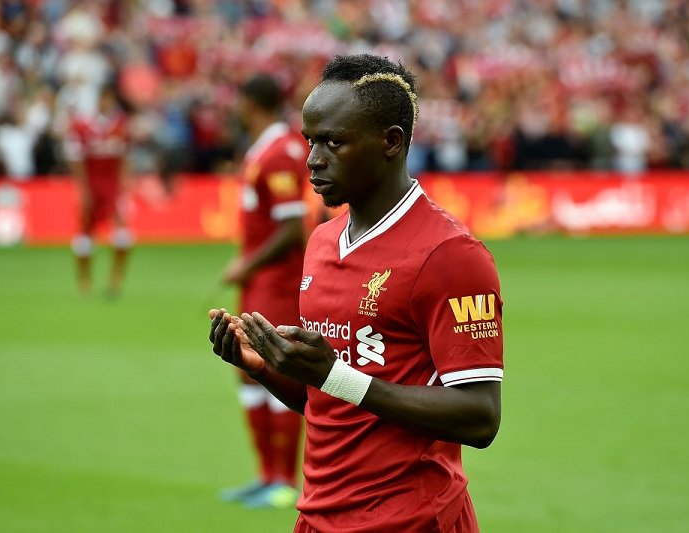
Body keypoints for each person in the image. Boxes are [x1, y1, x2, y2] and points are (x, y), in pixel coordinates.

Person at [209, 54, 503, 532]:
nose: (312, 159)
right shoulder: (323, 240)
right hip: (319, 517)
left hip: (411, 520)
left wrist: (335, 376)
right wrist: (265, 368)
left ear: (391, 142)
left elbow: (480, 416)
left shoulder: (450, 255)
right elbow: (331, 403)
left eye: (334, 142)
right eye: (310, 140)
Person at [219, 73, 308, 508]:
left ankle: (283, 480)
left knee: (275, 368)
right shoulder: (266, 151)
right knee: (246, 369)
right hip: (261, 282)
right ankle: (266, 473)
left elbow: (293, 229)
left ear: (251, 104)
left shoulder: (278, 154)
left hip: (277, 283)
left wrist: (245, 263)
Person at [65, 85, 133, 296]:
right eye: (103, 99)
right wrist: (83, 188)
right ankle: (84, 279)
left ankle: (115, 279)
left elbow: (124, 158)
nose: (106, 103)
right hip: (92, 184)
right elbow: (76, 160)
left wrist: (125, 184)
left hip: (113, 185)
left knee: (122, 232)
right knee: (85, 230)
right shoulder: (83, 126)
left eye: (109, 99)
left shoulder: (120, 125)